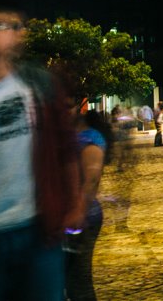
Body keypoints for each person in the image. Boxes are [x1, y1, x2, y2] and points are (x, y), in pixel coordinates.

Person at [0, 0, 83, 300]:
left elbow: (65, 150)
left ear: (18, 35)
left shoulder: (38, 85)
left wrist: (75, 204)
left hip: (37, 228)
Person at [66, 109, 112, 301]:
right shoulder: (81, 137)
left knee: (78, 280)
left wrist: (79, 211)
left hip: (81, 217)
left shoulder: (89, 139)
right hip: (77, 214)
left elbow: (91, 181)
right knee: (72, 279)